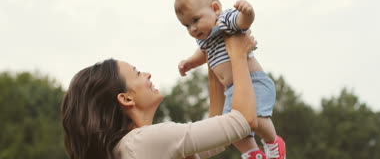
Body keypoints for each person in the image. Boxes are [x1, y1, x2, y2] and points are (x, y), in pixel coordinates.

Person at [61, 31, 258, 159]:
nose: (147, 74)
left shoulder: (130, 148)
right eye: (137, 73)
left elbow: (219, 135)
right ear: (126, 98)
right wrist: (237, 53)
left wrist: (213, 59)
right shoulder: (142, 142)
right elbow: (242, 122)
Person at [174, 0, 286, 159]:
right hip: (232, 91)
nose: (193, 29)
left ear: (216, 8)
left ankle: (273, 143)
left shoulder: (223, 21)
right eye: (186, 25)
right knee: (231, 129)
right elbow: (203, 54)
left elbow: (241, 23)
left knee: (255, 120)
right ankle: (253, 154)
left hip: (253, 82)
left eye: (195, 20)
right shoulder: (203, 38)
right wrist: (190, 63)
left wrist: (247, 13)